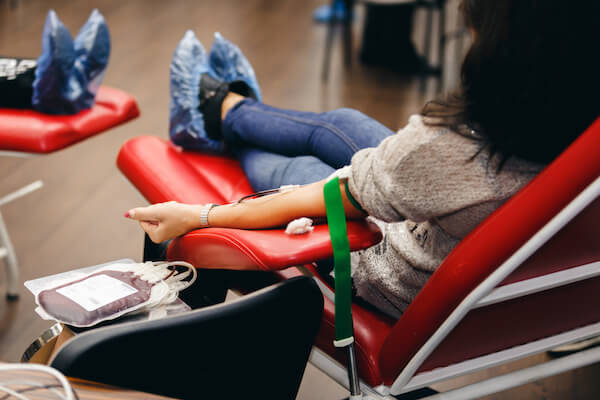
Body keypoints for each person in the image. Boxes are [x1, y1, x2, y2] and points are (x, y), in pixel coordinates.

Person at [126, 0, 600, 319]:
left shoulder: (447, 149)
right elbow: (431, 170)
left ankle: (219, 117)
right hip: (472, 242)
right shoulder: (577, 134)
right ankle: (228, 110)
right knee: (344, 122)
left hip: (387, 268)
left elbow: (316, 197)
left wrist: (196, 215)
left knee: (299, 173)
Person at [0, 9, 110, 114]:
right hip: (42, 96)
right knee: (30, 79)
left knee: (24, 68)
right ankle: (62, 87)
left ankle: (74, 75)